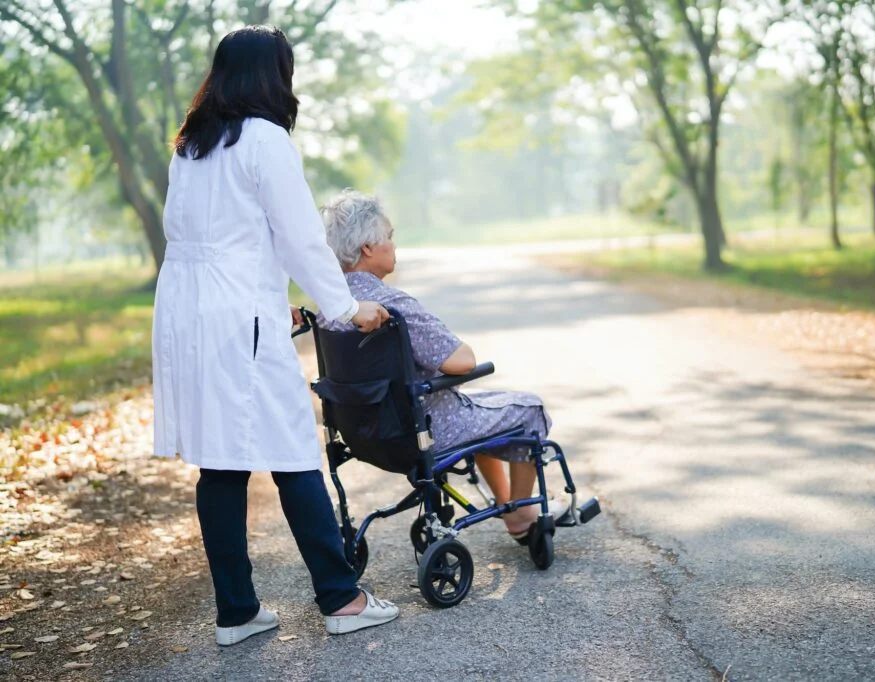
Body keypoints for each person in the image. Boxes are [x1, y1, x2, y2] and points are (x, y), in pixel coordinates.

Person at [152, 26, 398, 647]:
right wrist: (346, 309)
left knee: (221, 460)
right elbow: (299, 239)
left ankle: (236, 612)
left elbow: (213, 242)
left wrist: (271, 299)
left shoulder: (191, 146)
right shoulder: (265, 140)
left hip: (189, 312)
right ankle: (341, 599)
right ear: (274, 76)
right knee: (291, 447)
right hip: (238, 315)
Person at [316, 190, 568, 541]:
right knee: (530, 408)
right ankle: (522, 515)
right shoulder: (392, 305)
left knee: (481, 411)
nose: (394, 245)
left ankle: (506, 502)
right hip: (422, 432)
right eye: (389, 237)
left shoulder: (330, 308)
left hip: (365, 435)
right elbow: (463, 361)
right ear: (368, 248)